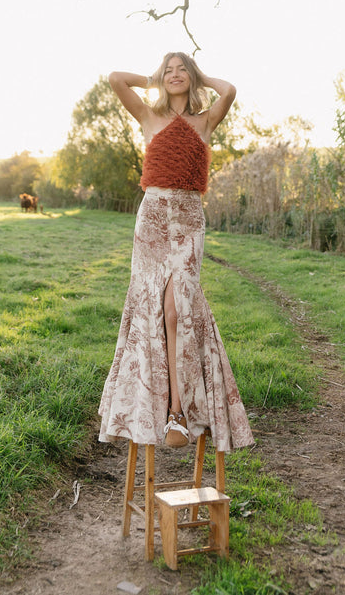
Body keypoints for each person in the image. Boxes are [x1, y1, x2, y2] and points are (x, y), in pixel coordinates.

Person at [98, 52, 254, 452]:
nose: (174, 74)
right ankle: (150, 402)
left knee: (176, 308)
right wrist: (153, 79)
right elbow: (116, 77)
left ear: (192, 76)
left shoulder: (205, 122)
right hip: (152, 217)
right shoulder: (149, 118)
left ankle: (178, 413)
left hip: (188, 218)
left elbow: (230, 90)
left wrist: (200, 75)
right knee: (149, 307)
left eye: (181, 68)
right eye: (168, 70)